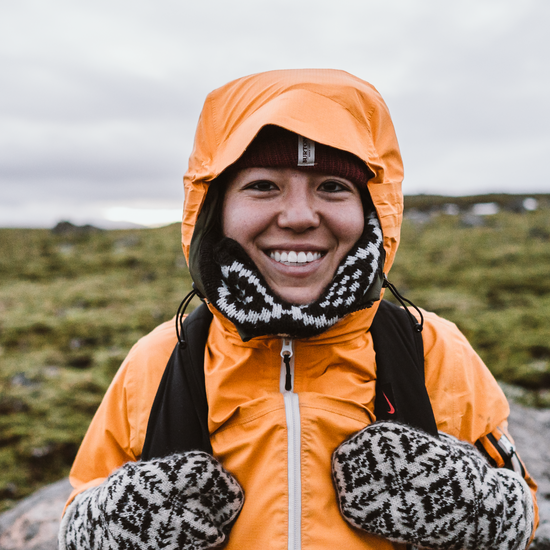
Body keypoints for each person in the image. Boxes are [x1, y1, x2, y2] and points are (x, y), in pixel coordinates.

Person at [59, 69, 538, 550]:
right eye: (263, 185)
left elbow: (522, 508)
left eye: (332, 186)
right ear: (215, 208)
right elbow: (83, 503)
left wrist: (466, 508)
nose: (299, 216)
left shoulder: (430, 348)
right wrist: (118, 526)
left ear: (371, 210)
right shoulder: (163, 357)